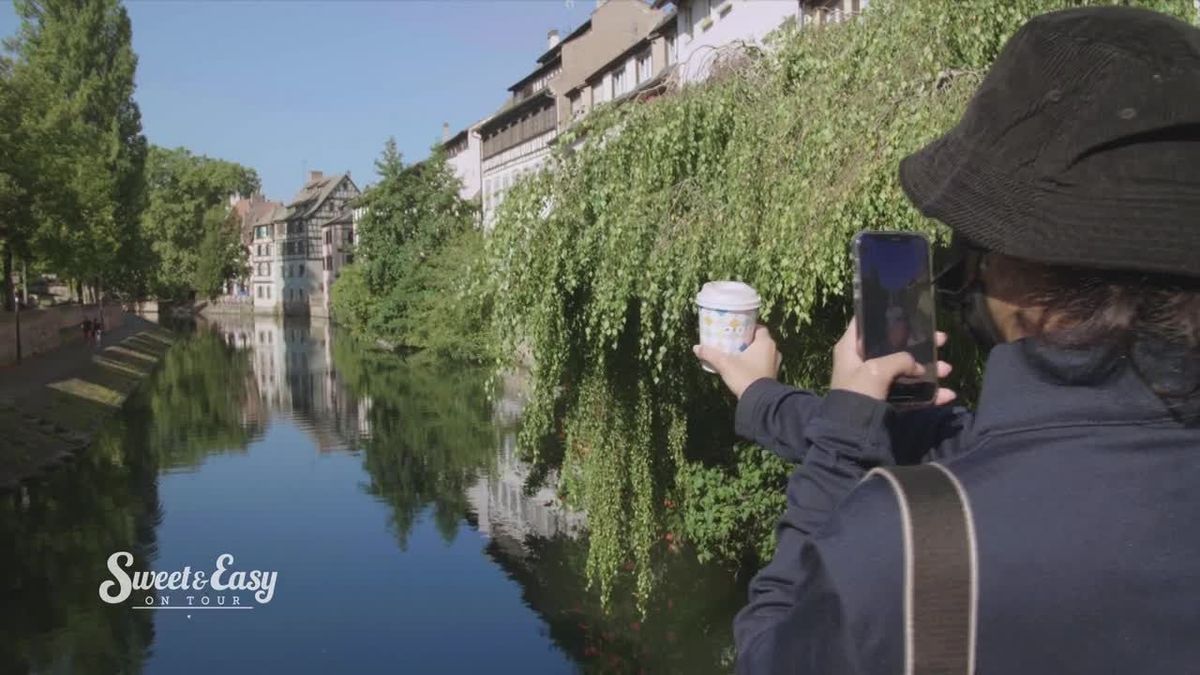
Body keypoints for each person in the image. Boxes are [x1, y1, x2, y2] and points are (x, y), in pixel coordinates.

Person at [694, 7, 1200, 674]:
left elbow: (765, 651)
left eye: (974, 243)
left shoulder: (903, 550)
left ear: (1021, 271)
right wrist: (764, 392)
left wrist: (840, 445)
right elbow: (953, 436)